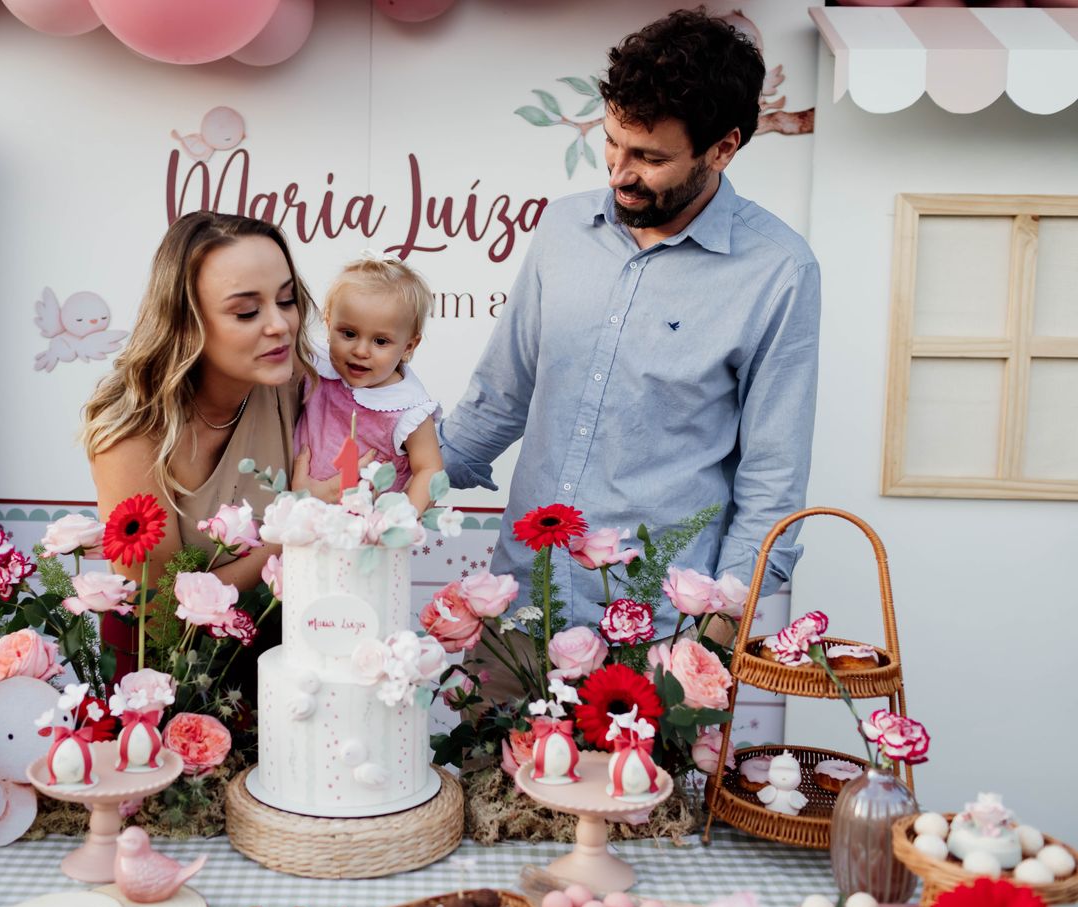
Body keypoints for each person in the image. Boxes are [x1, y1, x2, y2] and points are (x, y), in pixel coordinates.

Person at [438, 8, 821, 644]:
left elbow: (773, 479)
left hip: (659, 631)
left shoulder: (779, 271)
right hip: (523, 606)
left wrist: (715, 630)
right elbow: (498, 398)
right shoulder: (562, 229)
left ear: (723, 148)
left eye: (649, 157)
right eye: (612, 141)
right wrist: (383, 487)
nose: (618, 172)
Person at [83, 211, 323, 675]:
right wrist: (299, 521)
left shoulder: (292, 381)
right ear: (186, 322)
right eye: (247, 311)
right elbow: (162, 618)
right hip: (171, 680)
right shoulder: (130, 434)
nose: (280, 325)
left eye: (287, 299)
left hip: (285, 664)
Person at [294, 255, 443, 513]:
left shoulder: (407, 409)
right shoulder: (316, 366)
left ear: (409, 346)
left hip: (364, 526)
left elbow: (429, 468)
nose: (361, 351)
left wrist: (401, 522)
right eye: (349, 334)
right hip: (298, 515)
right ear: (328, 324)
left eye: (380, 341)